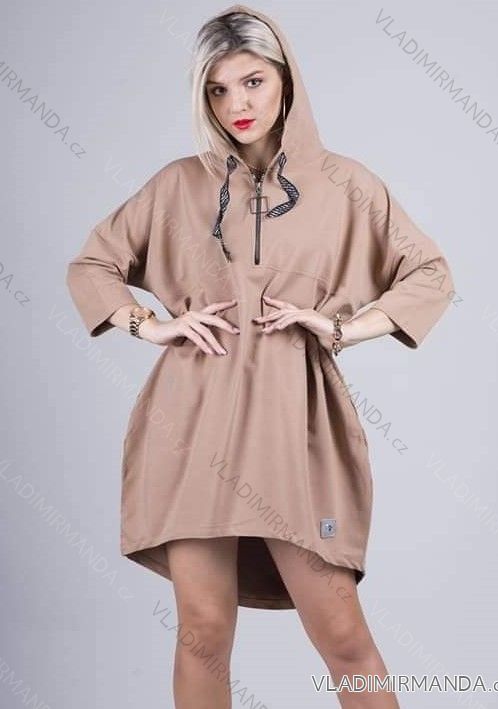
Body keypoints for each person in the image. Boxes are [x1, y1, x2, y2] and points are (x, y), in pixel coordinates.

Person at [66, 4, 454, 707]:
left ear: (285, 79)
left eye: (252, 82)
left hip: (294, 425)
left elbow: (430, 274)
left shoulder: (345, 182)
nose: (236, 105)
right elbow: (92, 264)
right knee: (203, 632)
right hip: (191, 422)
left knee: (342, 633)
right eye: (217, 89)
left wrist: (340, 328)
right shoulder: (178, 184)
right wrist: (149, 325)